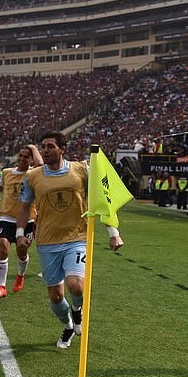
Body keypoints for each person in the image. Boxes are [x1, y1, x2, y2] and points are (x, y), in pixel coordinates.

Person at [17, 132, 124, 348]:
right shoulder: (33, 176)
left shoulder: (81, 169)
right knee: (56, 298)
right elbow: (24, 207)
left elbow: (101, 201)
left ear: (62, 149)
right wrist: (20, 234)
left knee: (76, 285)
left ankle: (77, 311)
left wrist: (113, 232)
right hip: (47, 242)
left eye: (50, 146)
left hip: (77, 237)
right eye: (43, 147)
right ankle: (68, 326)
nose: (45, 151)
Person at [0, 144, 43, 298]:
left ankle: (20, 275)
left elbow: (40, 164)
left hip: (27, 219)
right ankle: (2, 286)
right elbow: (0, 189)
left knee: (22, 252)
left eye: (26, 156)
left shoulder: (33, 174)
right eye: (20, 155)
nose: (21, 158)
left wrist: (33, 148)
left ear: (31, 159)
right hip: (6, 216)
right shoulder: (7, 172)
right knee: (3, 246)